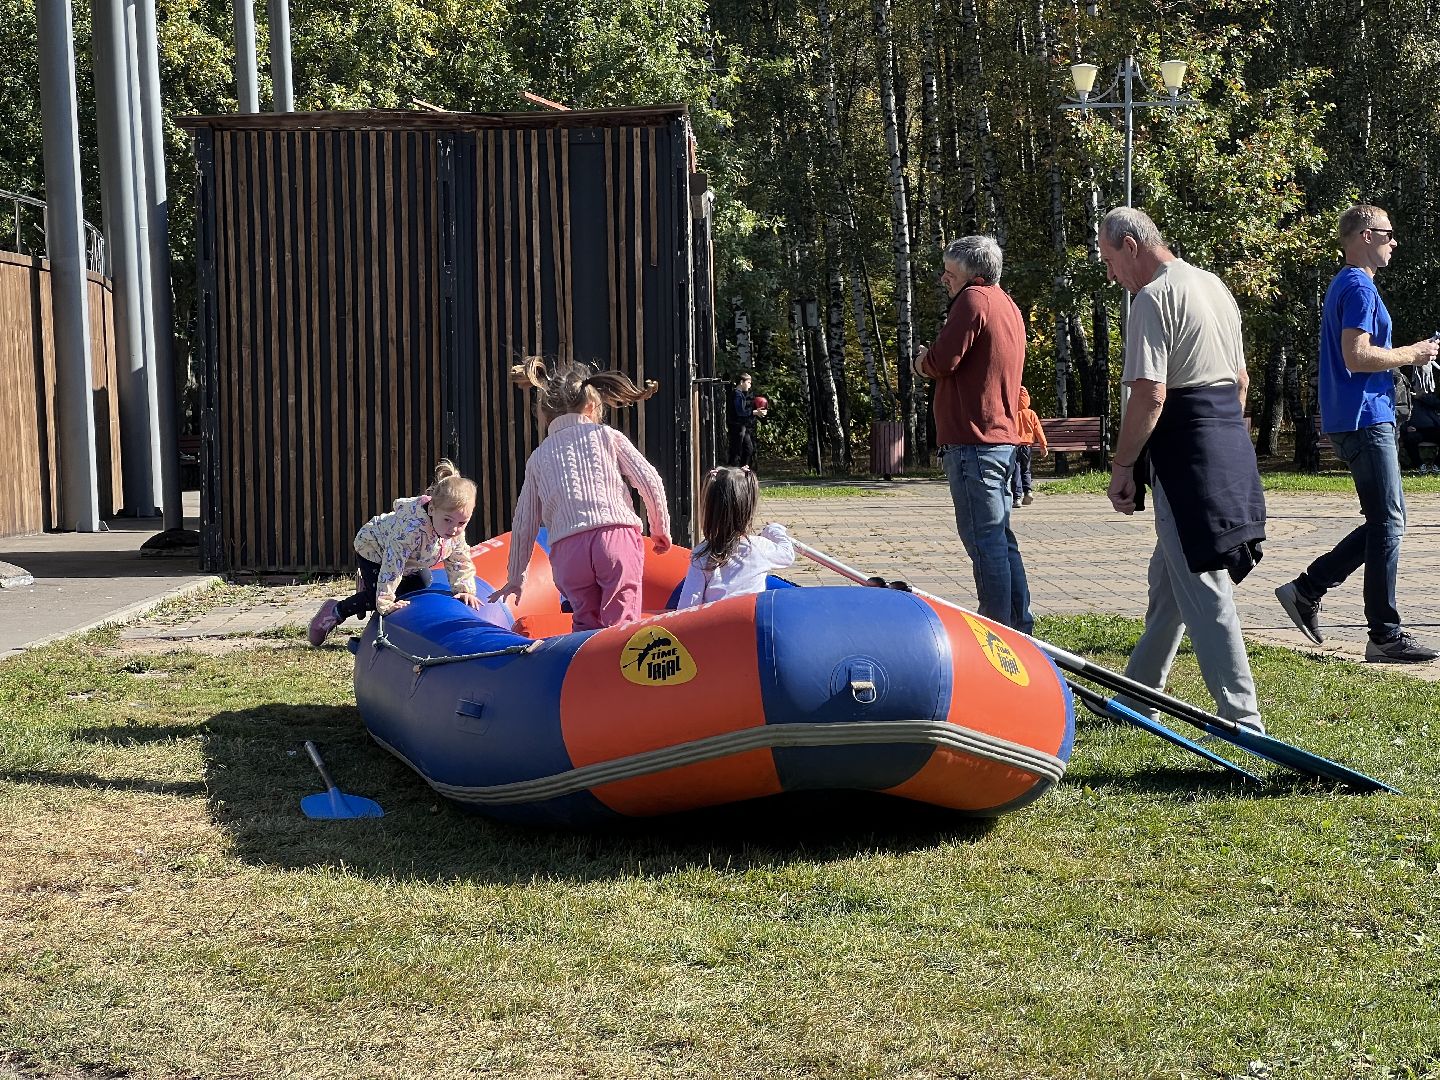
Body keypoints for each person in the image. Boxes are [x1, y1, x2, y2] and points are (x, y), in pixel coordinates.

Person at [1099, 207, 1266, 733]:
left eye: (1108, 260)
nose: (1110, 275)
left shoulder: (1151, 298)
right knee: (1170, 578)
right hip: (1227, 443)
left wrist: (1123, 464)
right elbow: (1240, 381)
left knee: (1204, 581)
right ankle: (1138, 692)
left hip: (1184, 453)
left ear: (1130, 245)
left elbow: (1150, 394)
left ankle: (1245, 718)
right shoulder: (1215, 286)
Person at [1274, 205, 1440, 663]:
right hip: (1366, 419)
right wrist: (1413, 353)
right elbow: (1357, 356)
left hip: (1359, 416)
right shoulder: (1358, 287)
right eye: (1388, 234)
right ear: (1365, 235)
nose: (1394, 242)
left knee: (1386, 521)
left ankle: (1306, 590)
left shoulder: (1348, 285)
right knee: (1389, 522)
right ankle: (1384, 635)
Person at [488, 357, 672, 631]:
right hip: (614, 536)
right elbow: (649, 480)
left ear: (546, 414)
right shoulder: (607, 436)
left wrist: (516, 576)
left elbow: (524, 521)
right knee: (623, 622)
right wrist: (660, 528)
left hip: (567, 550)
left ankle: (586, 670)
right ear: (591, 406)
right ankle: (620, 671)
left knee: (585, 622)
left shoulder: (539, 457)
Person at [913, 234, 1033, 633]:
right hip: (997, 439)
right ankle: (1018, 624)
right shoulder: (1007, 303)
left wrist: (920, 363)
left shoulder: (974, 299)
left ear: (974, 273)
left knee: (985, 542)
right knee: (1000, 539)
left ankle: (999, 631)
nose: (945, 279)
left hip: (973, 441)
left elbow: (944, 359)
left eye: (950, 272)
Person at [308, 459, 483, 646]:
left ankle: (369, 587)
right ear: (431, 509)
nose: (454, 529)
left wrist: (464, 589)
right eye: (448, 520)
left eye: (461, 523)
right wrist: (384, 600)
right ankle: (335, 611)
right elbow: (393, 565)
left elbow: (460, 559)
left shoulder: (454, 532)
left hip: (410, 560)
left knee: (423, 582)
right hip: (375, 549)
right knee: (377, 597)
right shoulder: (410, 530)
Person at [676, 466, 795, 607]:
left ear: (709, 510)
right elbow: (788, 554)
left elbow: (687, 605)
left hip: (717, 626)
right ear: (749, 509)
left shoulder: (702, 555)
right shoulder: (760, 547)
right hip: (751, 626)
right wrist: (773, 530)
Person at [1010, 386, 1049, 508]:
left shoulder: (1012, 413)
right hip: (1027, 446)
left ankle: (1016, 498)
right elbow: (1039, 430)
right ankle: (1028, 491)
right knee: (1026, 469)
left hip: (1014, 446)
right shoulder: (1031, 414)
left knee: (1015, 470)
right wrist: (1043, 445)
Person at [727, 373, 767, 468]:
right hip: (737, 426)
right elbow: (740, 412)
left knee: (748, 449)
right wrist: (754, 412)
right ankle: (735, 471)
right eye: (748, 382)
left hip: (742, 426)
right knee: (737, 451)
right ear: (741, 382)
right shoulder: (737, 394)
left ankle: (743, 470)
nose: (750, 385)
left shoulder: (740, 394)